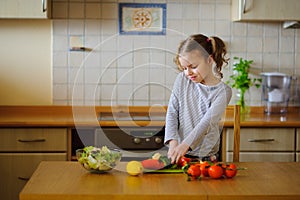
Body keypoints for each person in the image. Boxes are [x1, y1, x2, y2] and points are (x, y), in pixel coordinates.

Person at [164, 34, 232, 164]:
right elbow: (172, 112)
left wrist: (184, 145)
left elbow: (206, 123)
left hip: (206, 159)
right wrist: (173, 143)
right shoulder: (182, 79)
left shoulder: (223, 91)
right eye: (184, 68)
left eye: (193, 67)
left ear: (209, 60)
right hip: (180, 155)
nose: (188, 72)